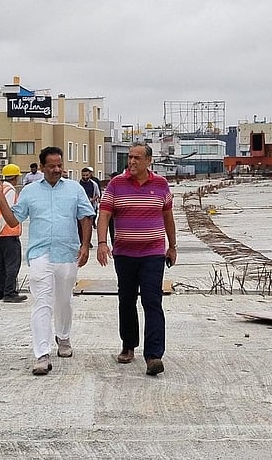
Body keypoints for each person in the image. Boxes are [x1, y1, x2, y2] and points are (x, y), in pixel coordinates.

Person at [0, 146, 95, 376]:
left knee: (64, 300)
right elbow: (12, 219)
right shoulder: (29, 192)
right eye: (52, 166)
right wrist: (0, 198)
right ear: (42, 167)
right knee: (42, 301)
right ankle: (42, 353)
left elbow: (86, 217)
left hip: (68, 253)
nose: (57, 169)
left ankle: (64, 337)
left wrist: (85, 245)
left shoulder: (74, 189)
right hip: (40, 255)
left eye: (60, 165)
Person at [96, 142, 176, 376]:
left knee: (153, 302)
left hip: (153, 254)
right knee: (127, 300)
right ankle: (128, 345)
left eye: (137, 158)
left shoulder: (161, 184)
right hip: (124, 254)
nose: (132, 162)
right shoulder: (116, 184)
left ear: (148, 161)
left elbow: (168, 217)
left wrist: (173, 246)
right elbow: (104, 215)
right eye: (130, 157)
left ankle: (153, 355)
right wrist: (102, 243)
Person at [0, 163, 26, 303]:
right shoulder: (9, 190)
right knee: (12, 264)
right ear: (16, 177)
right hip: (8, 233)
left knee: (1, 264)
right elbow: (7, 213)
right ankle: (10, 292)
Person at [79, 167, 101, 248]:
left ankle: (88, 241)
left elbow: (97, 194)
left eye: (86, 175)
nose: (85, 177)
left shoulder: (93, 184)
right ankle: (82, 241)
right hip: (80, 209)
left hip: (91, 208)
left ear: (90, 175)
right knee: (80, 227)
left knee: (89, 226)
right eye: (83, 175)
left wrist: (92, 200)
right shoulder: (78, 184)